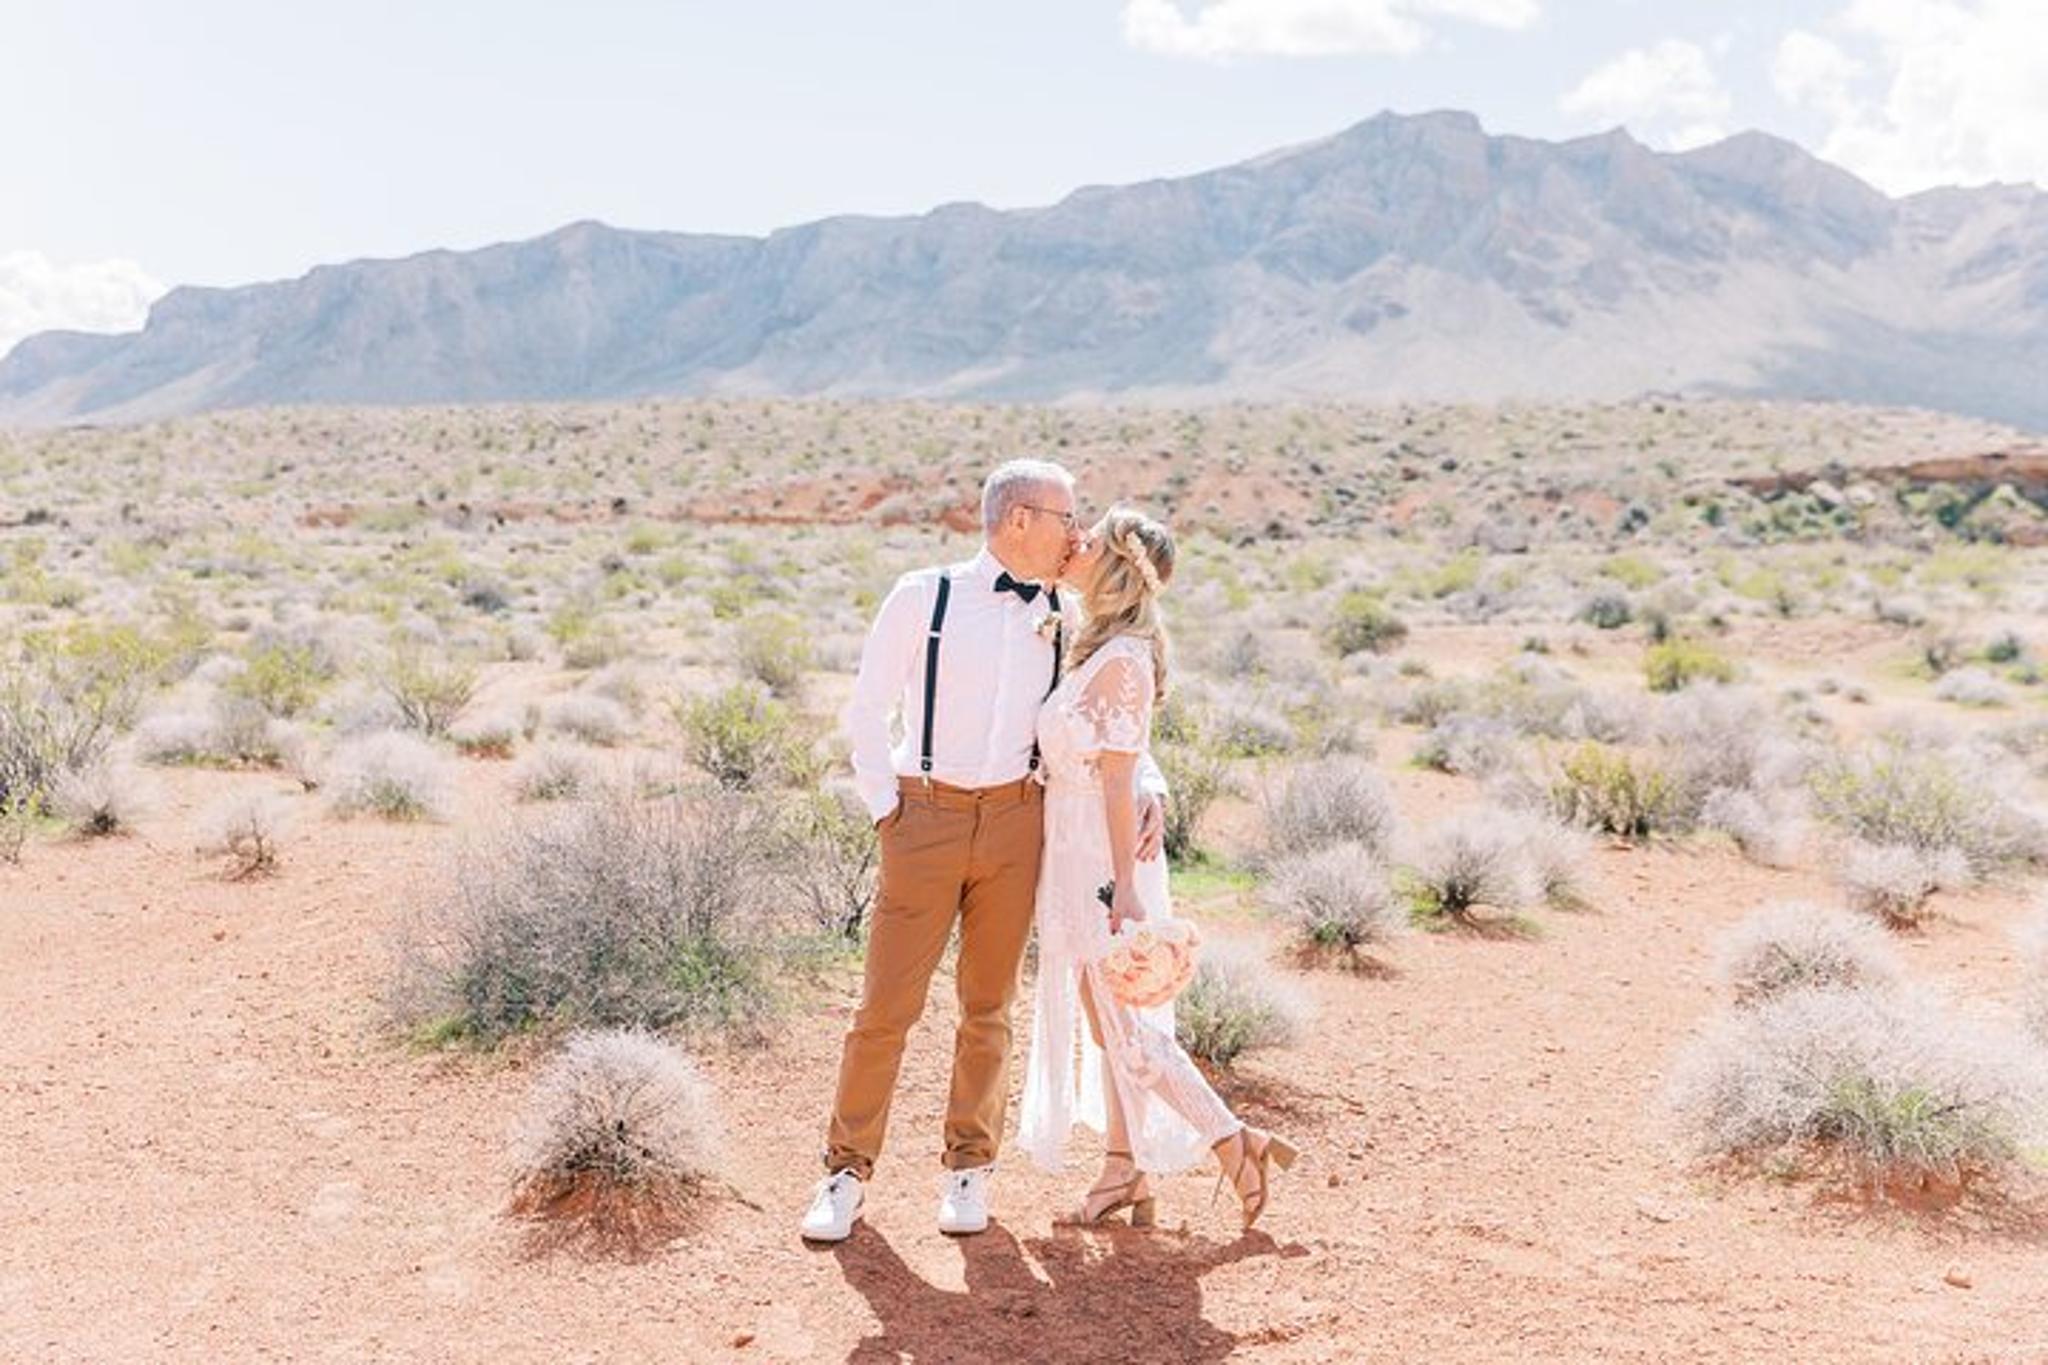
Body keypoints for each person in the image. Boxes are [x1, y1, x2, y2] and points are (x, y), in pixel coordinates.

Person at [802, 460, 1168, 1244]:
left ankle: (968, 1169)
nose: (1078, 534)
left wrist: (1154, 786)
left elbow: (1104, 709)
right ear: (1018, 521)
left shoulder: (1067, 613)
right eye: (1066, 517)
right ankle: (845, 1171)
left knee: (989, 1006)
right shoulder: (921, 596)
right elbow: (867, 707)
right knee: (885, 1009)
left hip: (1017, 824)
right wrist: (887, 812)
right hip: (922, 819)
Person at [1018, 507, 1299, 1230]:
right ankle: (1123, 1166)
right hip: (1075, 843)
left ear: (1115, 566)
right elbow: (1125, 760)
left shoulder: (1124, 659)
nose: (1074, 544)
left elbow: (1117, 777)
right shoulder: (1101, 644)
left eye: (1090, 539)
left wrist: (1124, 891)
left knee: (1124, 1021)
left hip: (1099, 858)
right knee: (1105, 1018)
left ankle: (1233, 1140)